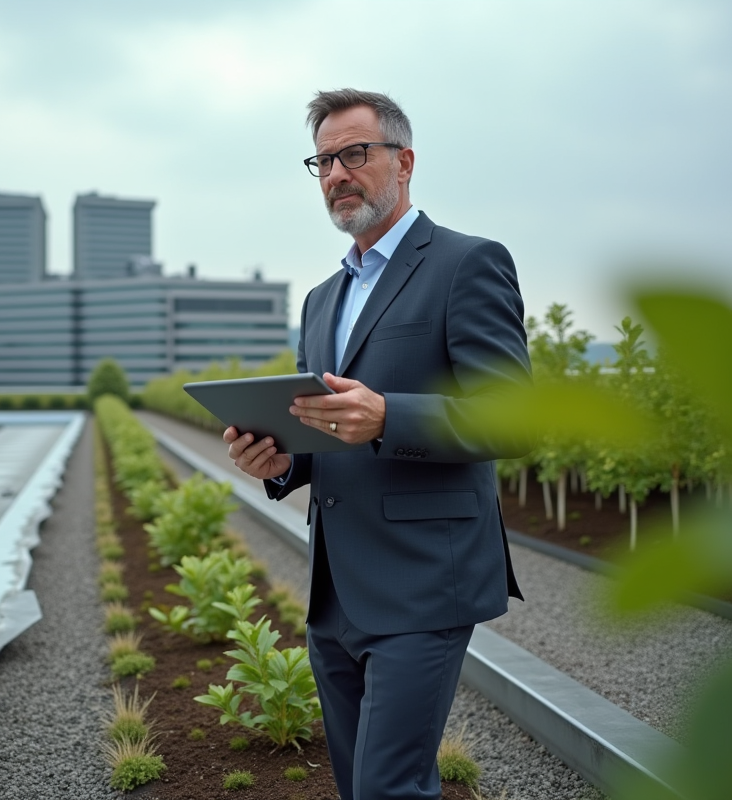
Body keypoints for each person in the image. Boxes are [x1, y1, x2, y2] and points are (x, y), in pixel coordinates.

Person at [223, 88, 531, 800]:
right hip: (334, 594)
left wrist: (391, 416)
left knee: (389, 788)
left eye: (355, 153)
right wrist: (280, 461)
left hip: (426, 582)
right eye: (324, 160)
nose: (336, 173)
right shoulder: (321, 298)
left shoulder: (467, 263)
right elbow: (327, 428)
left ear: (405, 161)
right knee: (361, 787)